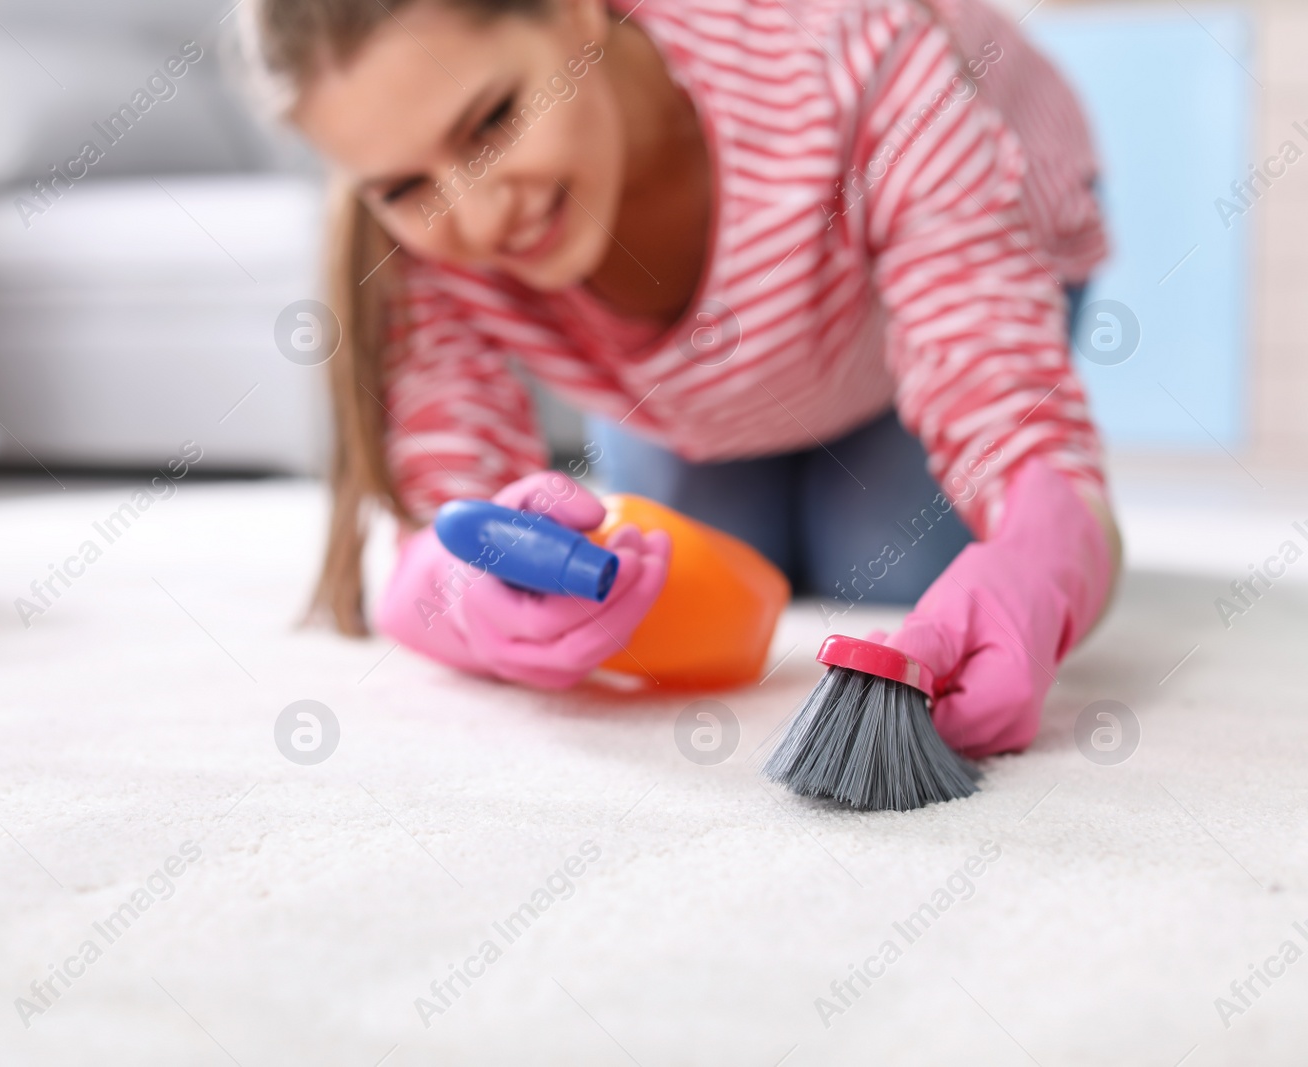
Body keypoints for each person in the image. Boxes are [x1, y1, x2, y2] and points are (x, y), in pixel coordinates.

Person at [240, 0, 1120, 756]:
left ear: (579, 11)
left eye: (492, 122)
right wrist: (466, 595)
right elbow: (446, 508)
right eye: (400, 184)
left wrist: (1046, 554)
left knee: (879, 561)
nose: (473, 214)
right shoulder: (424, 237)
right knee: (695, 586)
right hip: (716, 371)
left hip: (952, 252)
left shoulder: (852, 51)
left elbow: (1000, 396)